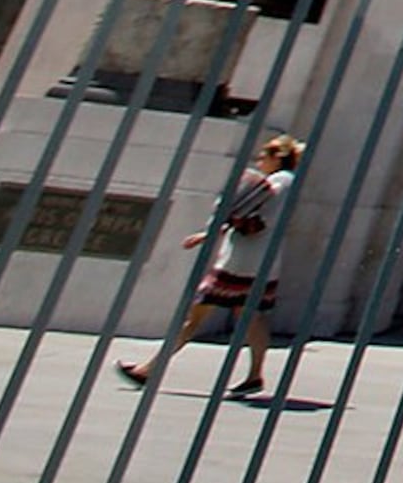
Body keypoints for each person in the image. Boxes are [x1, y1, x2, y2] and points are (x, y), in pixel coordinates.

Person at [119, 133, 304, 397]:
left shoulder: (281, 182)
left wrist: (213, 230)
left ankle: (148, 369)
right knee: (249, 316)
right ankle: (254, 376)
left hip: (244, 262)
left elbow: (251, 215)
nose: (261, 160)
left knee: (200, 314)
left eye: (265, 156)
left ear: (279, 157)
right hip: (251, 260)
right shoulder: (284, 182)